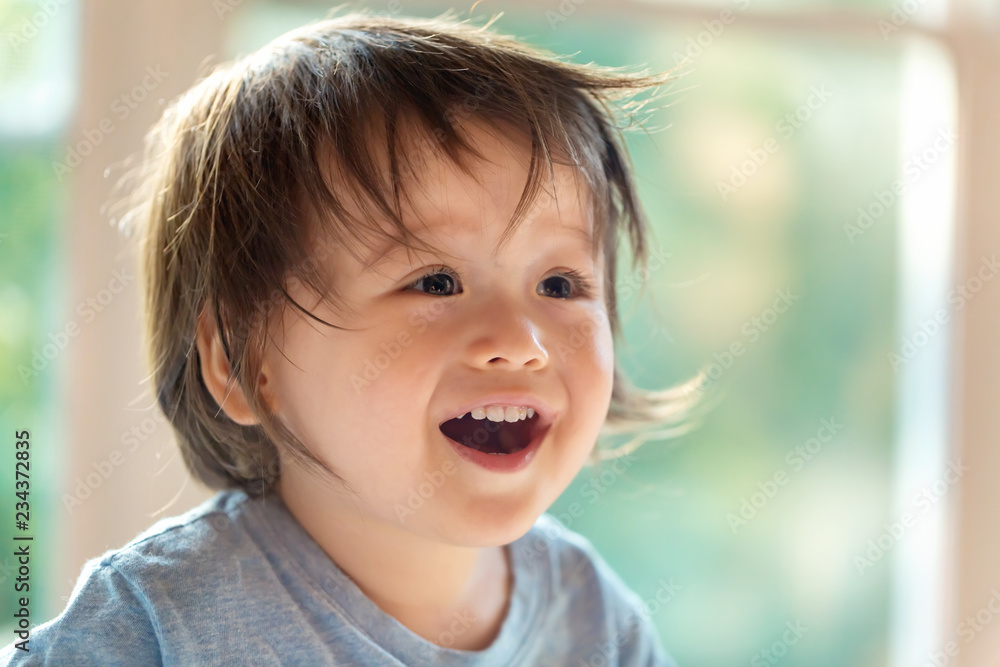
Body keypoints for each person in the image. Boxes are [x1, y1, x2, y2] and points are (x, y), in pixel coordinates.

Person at [1, 10, 698, 665]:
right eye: (434, 282)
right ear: (242, 363)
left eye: (559, 285)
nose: (521, 341)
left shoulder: (597, 623)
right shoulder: (153, 623)